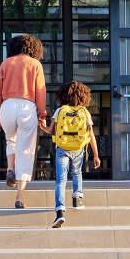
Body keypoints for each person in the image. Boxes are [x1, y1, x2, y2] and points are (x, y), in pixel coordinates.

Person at [0, 34, 47, 209]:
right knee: (26, 150)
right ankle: (20, 196)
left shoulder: (5, 63)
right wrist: (42, 114)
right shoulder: (35, 64)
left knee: (11, 140)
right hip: (27, 107)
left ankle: (10, 168)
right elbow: (40, 91)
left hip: (7, 106)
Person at [40, 81, 100, 228]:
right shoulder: (85, 112)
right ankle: (77, 198)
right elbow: (91, 134)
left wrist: (42, 126)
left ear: (63, 95)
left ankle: (60, 212)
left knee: (61, 180)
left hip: (62, 148)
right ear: (83, 96)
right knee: (77, 172)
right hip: (79, 148)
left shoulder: (59, 111)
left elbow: (51, 130)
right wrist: (96, 155)